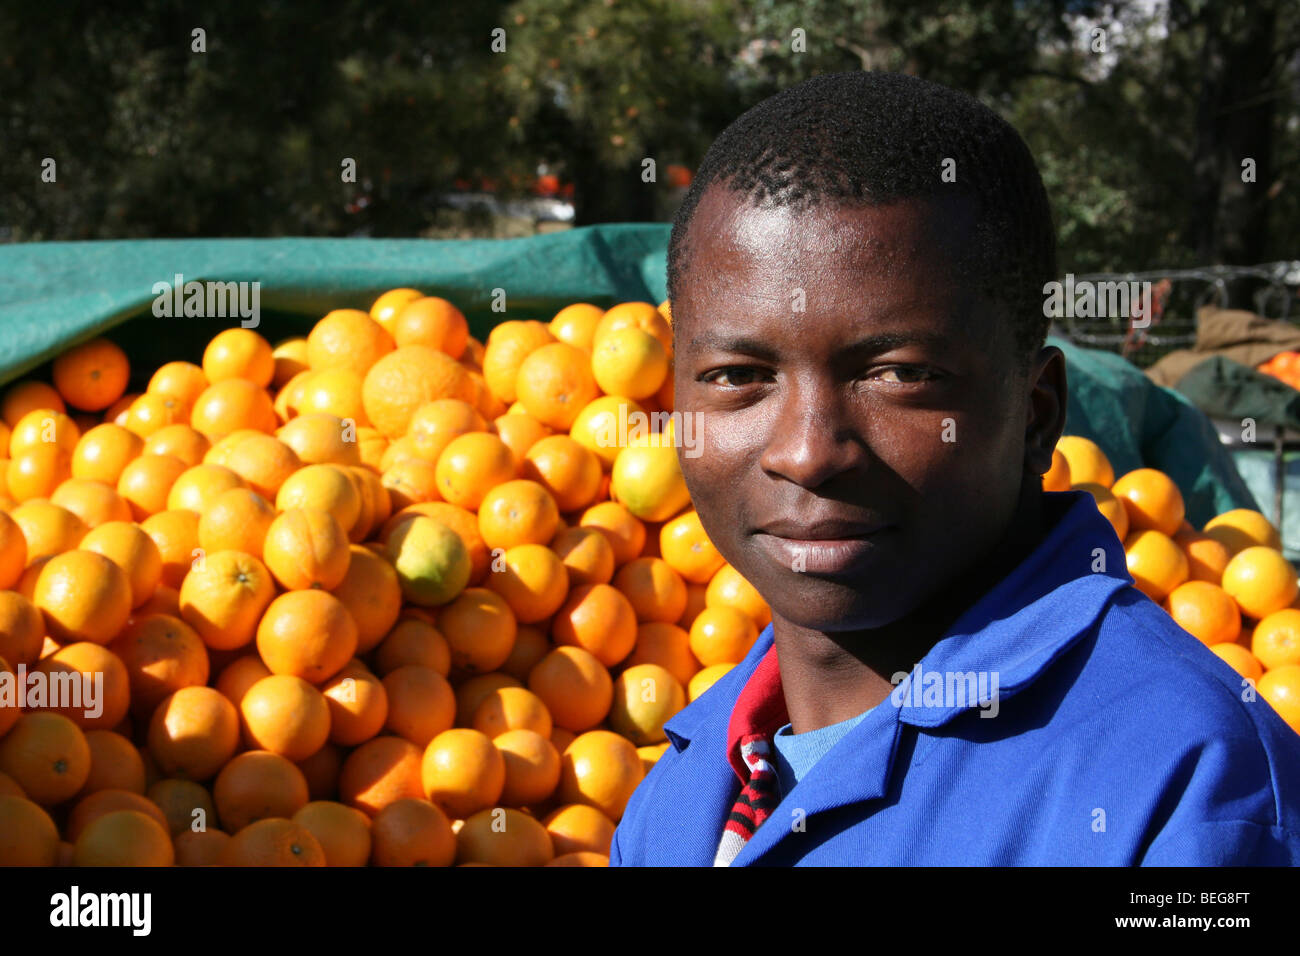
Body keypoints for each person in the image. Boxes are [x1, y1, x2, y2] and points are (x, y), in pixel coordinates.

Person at [609, 70, 1300, 866]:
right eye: (737, 377)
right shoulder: (684, 790)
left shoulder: (1186, 792)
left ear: (1038, 414)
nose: (805, 451)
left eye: (899, 375)